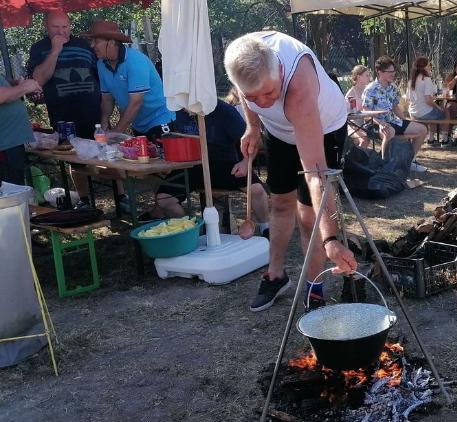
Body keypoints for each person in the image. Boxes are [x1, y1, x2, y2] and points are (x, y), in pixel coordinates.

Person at [223, 32, 357, 312]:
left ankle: (314, 287)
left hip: (325, 127)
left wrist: (331, 239)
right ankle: (276, 275)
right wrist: (253, 127)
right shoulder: (242, 59)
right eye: (253, 97)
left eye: (270, 93)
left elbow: (316, 174)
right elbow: (249, 99)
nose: (263, 103)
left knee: (309, 217)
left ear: (280, 71)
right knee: (280, 204)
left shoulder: (298, 88)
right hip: (278, 134)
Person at [28, 12, 125, 210]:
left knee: (107, 154)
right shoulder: (39, 49)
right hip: (63, 116)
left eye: (65, 27)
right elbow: (38, 80)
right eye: (56, 27)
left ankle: (121, 196)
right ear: (46, 26)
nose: (61, 31)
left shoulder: (84, 45)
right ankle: (85, 200)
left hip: (93, 112)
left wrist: (106, 110)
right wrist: (55, 50)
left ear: (70, 26)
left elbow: (101, 75)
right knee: (75, 160)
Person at [138, 100, 269, 230]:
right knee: (164, 200)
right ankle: (189, 231)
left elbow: (253, 141)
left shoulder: (225, 111)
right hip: (191, 167)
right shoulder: (178, 110)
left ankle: (266, 229)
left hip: (225, 165)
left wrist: (246, 162)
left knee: (257, 190)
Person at [82, 21, 174, 140]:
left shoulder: (135, 61)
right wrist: (103, 125)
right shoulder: (101, 64)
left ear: (111, 42)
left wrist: (116, 132)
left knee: (162, 158)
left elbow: (136, 102)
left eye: (96, 41)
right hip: (138, 124)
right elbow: (107, 99)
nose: (92, 45)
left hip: (160, 120)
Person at [362, 56, 428, 169]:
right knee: (390, 132)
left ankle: (408, 161)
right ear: (379, 72)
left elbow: (395, 107)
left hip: (392, 121)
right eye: (389, 72)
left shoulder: (392, 87)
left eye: (394, 71)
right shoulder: (370, 89)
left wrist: (405, 120)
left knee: (422, 129)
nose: (393, 74)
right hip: (374, 123)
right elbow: (365, 112)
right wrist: (380, 123)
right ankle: (385, 166)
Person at [0, 77, 40, 185]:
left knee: (15, 189)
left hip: (10, 143)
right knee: (11, 194)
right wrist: (25, 87)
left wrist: (14, 84)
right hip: (5, 145)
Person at [408, 57, 447, 145]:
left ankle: (431, 139)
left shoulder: (411, 80)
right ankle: (444, 139)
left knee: (432, 111)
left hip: (413, 113)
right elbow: (428, 100)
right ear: (424, 67)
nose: (430, 67)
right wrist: (438, 107)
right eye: (429, 65)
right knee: (445, 113)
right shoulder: (426, 79)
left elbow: (409, 98)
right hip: (424, 113)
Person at [344, 65, 374, 148]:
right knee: (364, 140)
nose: (369, 78)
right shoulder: (350, 94)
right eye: (367, 75)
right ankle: (358, 159)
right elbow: (347, 115)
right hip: (353, 125)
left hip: (368, 123)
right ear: (359, 77)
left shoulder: (369, 90)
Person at [444, 60, 457, 125]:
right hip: (452, 101)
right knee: (450, 107)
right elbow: (448, 90)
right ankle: (447, 132)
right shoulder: (451, 77)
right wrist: (455, 79)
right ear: (455, 69)